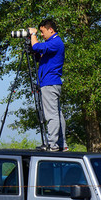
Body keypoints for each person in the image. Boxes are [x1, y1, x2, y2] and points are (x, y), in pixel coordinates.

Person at [28, 19, 68, 152]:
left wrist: (32, 35)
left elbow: (36, 47)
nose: (41, 35)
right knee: (57, 114)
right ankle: (61, 143)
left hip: (49, 83)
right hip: (52, 82)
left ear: (50, 29)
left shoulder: (56, 42)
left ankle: (53, 145)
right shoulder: (52, 43)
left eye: (42, 31)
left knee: (51, 115)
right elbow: (39, 54)